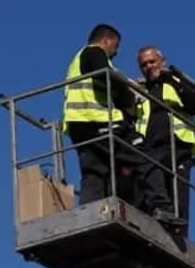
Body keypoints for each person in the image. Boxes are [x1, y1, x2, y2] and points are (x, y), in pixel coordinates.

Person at [63, 23, 166, 214]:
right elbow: (105, 74)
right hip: (97, 121)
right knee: (144, 157)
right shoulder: (94, 52)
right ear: (106, 41)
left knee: (94, 172)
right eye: (115, 46)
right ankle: (161, 206)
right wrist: (129, 89)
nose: (116, 52)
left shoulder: (79, 60)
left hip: (79, 125)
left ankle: (88, 213)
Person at [134, 44, 195, 236]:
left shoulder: (175, 82)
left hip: (177, 145)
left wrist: (173, 81)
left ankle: (180, 241)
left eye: (152, 61)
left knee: (178, 197)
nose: (148, 66)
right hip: (150, 148)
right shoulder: (141, 91)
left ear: (162, 62)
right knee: (151, 195)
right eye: (144, 64)